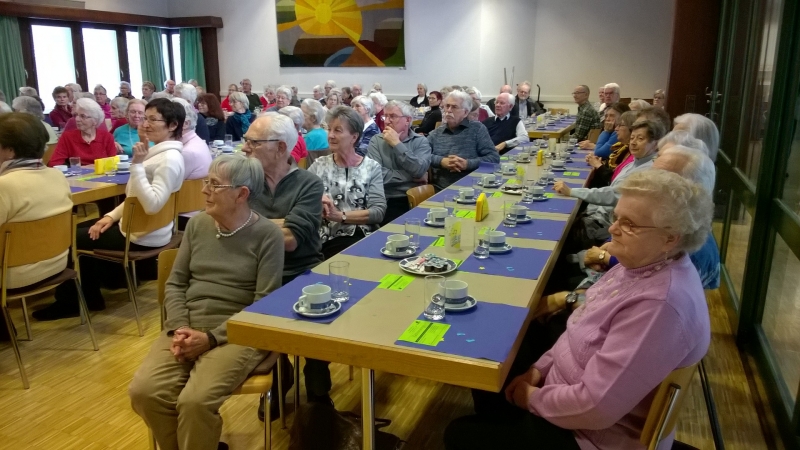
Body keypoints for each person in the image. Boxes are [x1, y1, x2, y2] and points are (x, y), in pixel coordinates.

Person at [445, 170, 712, 450]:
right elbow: (579, 328)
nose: (613, 229)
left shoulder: (658, 306)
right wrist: (538, 369)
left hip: (590, 436)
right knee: (495, 347)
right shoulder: (638, 265)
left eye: (629, 224)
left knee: (459, 433)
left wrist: (531, 398)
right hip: (565, 397)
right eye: (617, 217)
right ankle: (499, 417)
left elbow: (595, 408)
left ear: (670, 238)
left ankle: (500, 419)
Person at [129, 154, 284, 450]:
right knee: (145, 392)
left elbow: (263, 304)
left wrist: (211, 338)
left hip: (237, 332)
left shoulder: (267, 236)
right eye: (206, 182)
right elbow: (176, 283)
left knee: (195, 402)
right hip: (186, 326)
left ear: (241, 194)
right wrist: (180, 328)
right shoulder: (199, 224)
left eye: (214, 184)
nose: (204, 190)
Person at [36, 98, 186, 321]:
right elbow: (135, 198)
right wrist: (110, 216)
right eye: (145, 118)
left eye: (153, 119)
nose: (145, 124)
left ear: (172, 125)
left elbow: (152, 204)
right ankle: (93, 293)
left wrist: (137, 165)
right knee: (88, 228)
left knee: (69, 237)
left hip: (143, 234)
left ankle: (73, 301)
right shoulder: (160, 153)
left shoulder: (169, 159)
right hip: (146, 228)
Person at [0, 113, 73, 341]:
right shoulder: (57, 176)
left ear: (9, 150)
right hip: (57, 263)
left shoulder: (5, 185)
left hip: (16, 275)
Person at [556, 120, 666, 249]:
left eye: (640, 139)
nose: (633, 142)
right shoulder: (635, 161)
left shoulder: (648, 170)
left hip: (607, 226)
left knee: (559, 231)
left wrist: (571, 191)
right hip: (599, 215)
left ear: (655, 143)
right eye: (632, 138)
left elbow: (613, 195)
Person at [309, 106, 385, 259]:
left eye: (337, 130)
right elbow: (300, 198)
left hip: (365, 237)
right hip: (328, 239)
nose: (330, 135)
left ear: (354, 137)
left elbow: (378, 212)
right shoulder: (319, 165)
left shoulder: (371, 167)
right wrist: (315, 199)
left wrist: (340, 216)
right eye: (329, 129)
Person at [367, 100, 431, 225]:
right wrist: (412, 177)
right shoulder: (376, 141)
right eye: (385, 116)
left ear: (407, 120)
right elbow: (376, 175)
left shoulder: (420, 141)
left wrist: (397, 144)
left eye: (393, 116)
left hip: (414, 196)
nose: (387, 121)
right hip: (387, 198)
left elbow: (419, 169)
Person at [429, 90, 498, 191]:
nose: (449, 110)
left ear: (465, 112)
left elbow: (494, 158)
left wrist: (467, 164)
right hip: (441, 189)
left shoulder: (477, 129)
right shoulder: (436, 133)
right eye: (447, 106)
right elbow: (421, 155)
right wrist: (441, 161)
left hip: (473, 188)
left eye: (454, 107)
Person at [48, 98, 116, 167]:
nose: (77, 119)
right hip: (76, 173)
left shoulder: (107, 137)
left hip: (103, 173)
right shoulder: (67, 137)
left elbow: (113, 163)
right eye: (76, 115)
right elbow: (54, 163)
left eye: (83, 116)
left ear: (95, 121)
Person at [585, 110, 637, 189]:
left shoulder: (632, 153)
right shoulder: (622, 147)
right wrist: (599, 162)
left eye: (620, 125)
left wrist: (598, 165)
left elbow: (614, 180)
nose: (616, 129)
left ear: (632, 129)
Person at [173, 98, 212, 180]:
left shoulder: (187, 152)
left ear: (185, 124)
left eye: (170, 121)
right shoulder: (196, 141)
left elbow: (167, 185)